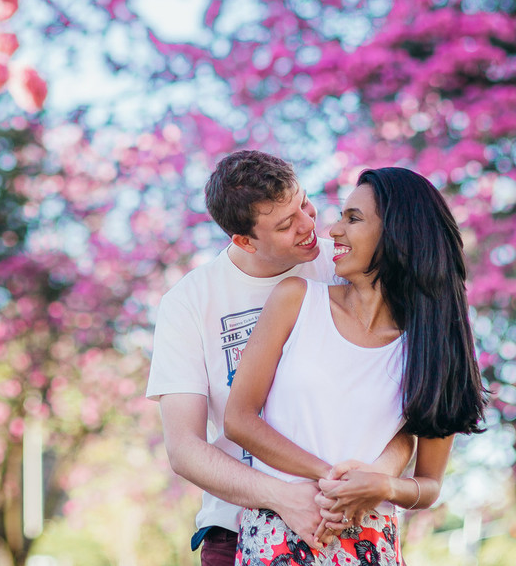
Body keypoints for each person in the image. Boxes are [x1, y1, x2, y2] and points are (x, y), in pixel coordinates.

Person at [147, 151, 408, 566]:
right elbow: (184, 448)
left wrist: (372, 479)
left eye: (304, 203)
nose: (309, 226)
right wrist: (283, 496)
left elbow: (405, 406)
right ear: (244, 241)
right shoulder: (190, 303)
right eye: (286, 225)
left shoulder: (345, 264)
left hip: (349, 526)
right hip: (236, 530)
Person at [224, 167, 487, 565]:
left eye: (353, 218)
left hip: (370, 545)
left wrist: (381, 486)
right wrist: (333, 481)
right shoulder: (296, 300)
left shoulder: (430, 347)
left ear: (398, 233)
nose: (332, 230)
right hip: (280, 532)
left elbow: (430, 484)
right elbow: (239, 419)